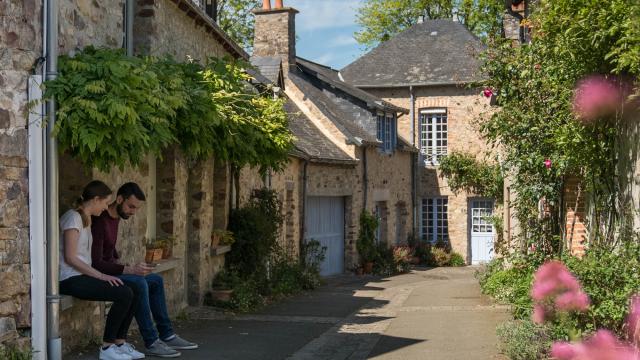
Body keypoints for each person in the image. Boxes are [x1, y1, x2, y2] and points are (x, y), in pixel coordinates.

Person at [91, 182, 198, 358]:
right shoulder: (100, 222)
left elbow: (109, 254)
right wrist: (129, 269)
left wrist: (127, 265)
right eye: (130, 206)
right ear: (119, 199)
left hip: (112, 271)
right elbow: (96, 263)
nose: (133, 212)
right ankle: (151, 341)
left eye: (136, 208)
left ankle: (167, 334)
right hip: (99, 275)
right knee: (139, 283)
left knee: (155, 280)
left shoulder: (116, 218)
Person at [59, 180, 145, 360]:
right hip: (69, 279)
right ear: (96, 199)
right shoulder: (72, 218)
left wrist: (104, 274)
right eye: (105, 203)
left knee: (134, 289)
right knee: (123, 293)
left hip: (82, 276)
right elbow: (70, 257)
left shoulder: (86, 219)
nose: (106, 208)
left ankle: (119, 343)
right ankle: (107, 348)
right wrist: (101, 276)